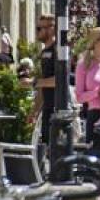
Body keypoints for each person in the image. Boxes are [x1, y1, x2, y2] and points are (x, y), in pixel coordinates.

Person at [73, 28, 100, 134]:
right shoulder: (83, 64)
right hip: (95, 114)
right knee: (94, 144)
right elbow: (79, 97)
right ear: (95, 42)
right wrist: (97, 92)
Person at [31, 14, 58, 146]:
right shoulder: (44, 52)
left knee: (55, 148)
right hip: (47, 108)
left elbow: (59, 80)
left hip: (58, 107)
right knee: (46, 146)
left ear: (51, 29)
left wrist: (33, 82)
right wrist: (34, 111)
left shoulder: (58, 50)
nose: (37, 32)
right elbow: (43, 84)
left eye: (39, 28)